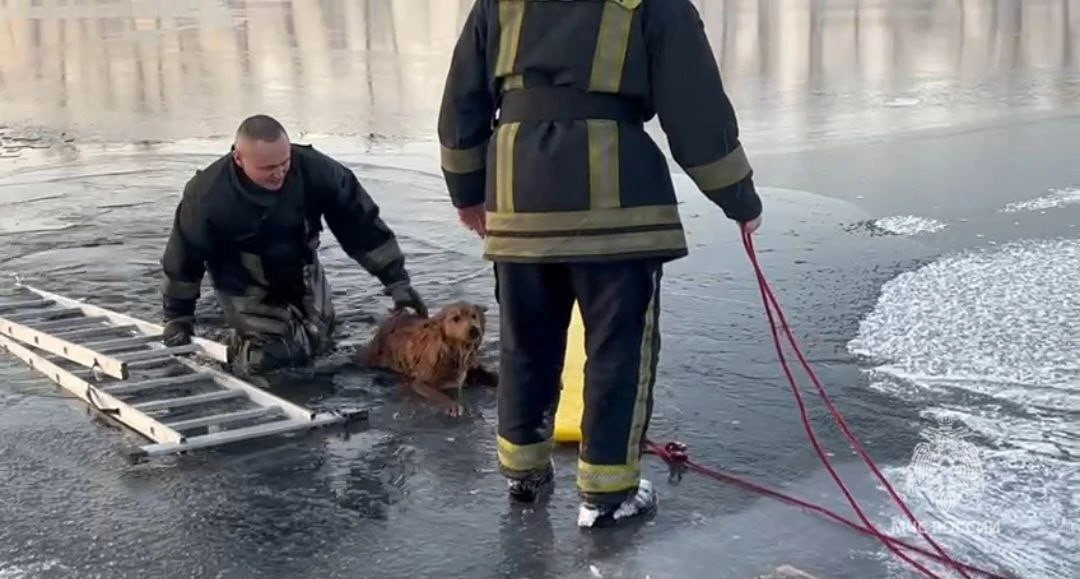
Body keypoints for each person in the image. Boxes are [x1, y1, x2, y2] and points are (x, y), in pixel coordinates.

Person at [436, 0, 763, 528]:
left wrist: (466, 190)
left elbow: (461, 102)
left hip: (519, 201)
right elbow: (695, 107)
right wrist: (738, 197)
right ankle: (607, 497)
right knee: (618, 351)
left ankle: (524, 474)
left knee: (526, 345)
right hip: (619, 211)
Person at [159, 115, 427, 376]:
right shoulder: (208, 196)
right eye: (267, 169)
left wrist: (396, 282)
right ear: (239, 159)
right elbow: (184, 259)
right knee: (275, 358)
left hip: (301, 265)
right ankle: (235, 346)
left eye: (284, 164)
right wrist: (177, 317)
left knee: (321, 342)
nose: (278, 174)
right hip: (244, 277)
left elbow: (362, 226)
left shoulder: (316, 170)